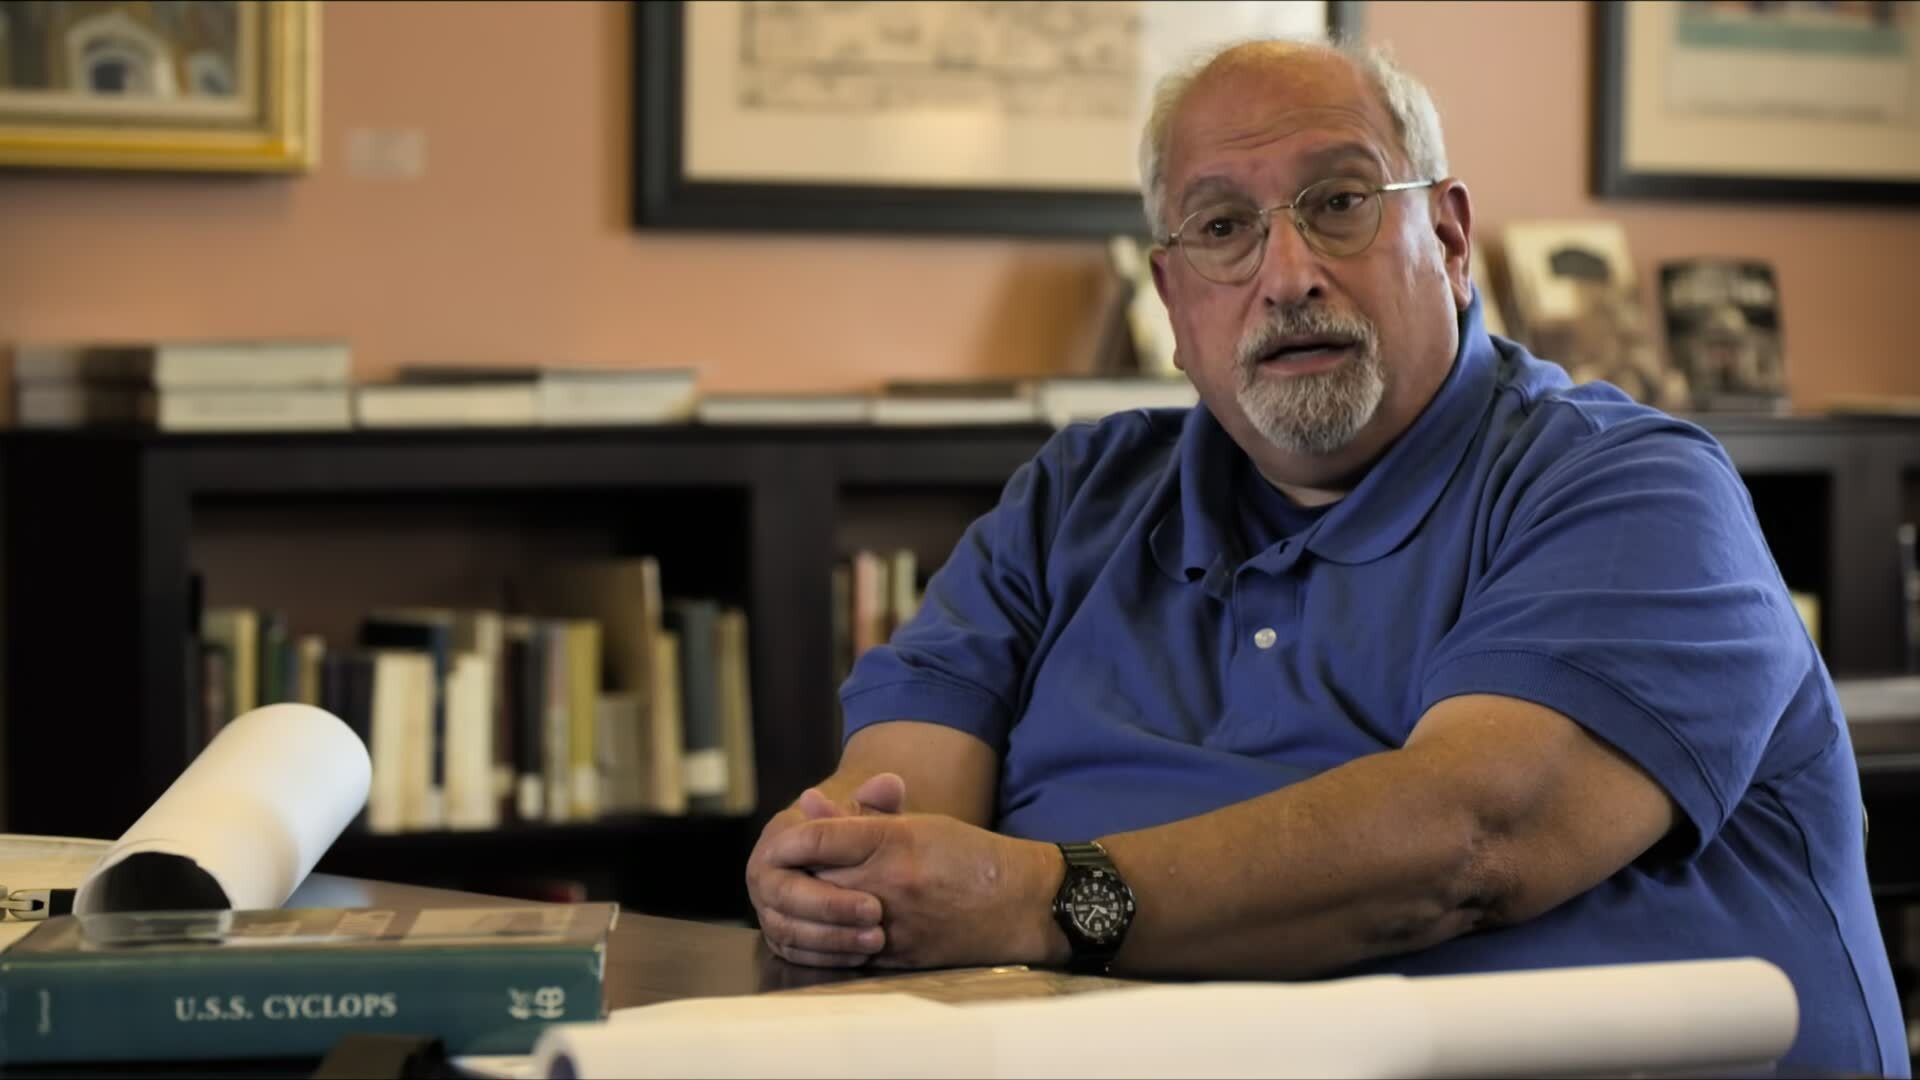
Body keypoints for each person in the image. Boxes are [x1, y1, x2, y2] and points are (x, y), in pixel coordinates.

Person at [744, 36, 1905, 1076]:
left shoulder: (1627, 485)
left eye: (1340, 202)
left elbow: (1475, 840)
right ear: (1170, 298)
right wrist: (840, 878)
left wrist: (1040, 898)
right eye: (1221, 228)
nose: (1287, 273)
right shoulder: (1072, 501)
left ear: (1448, 237)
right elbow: (898, 818)